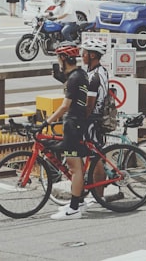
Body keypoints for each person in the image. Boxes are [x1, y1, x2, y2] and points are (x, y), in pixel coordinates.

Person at [45, 43, 89, 220]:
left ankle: (74, 209)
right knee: (74, 166)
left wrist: (46, 122)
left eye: (58, 58)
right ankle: (79, 202)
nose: (58, 62)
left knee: (74, 168)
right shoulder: (80, 75)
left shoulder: (74, 79)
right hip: (77, 123)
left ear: (63, 59)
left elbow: (65, 106)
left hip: (73, 123)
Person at [80, 35, 110, 149]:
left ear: (92, 55)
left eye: (84, 53)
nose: (82, 55)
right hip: (98, 117)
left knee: (93, 153)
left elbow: (90, 105)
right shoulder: (102, 70)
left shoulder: (94, 77)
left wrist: (81, 120)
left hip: (93, 119)